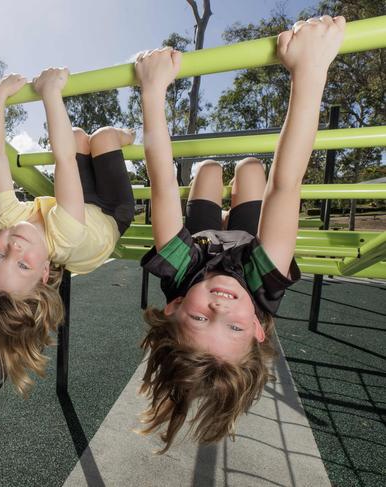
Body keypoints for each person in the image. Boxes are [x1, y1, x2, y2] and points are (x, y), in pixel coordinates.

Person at [134, 16, 345, 451]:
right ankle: (240, 188)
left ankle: (219, 191)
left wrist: (152, 91)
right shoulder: (263, 286)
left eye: (198, 317)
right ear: (258, 330)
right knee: (252, 168)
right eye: (233, 328)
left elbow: (160, 184)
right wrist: (310, 71)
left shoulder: (177, 273)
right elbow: (287, 187)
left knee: (208, 169)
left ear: (174, 306)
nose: (220, 307)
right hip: (250, 244)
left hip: (204, 240)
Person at [0, 69, 136, 396]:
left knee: (78, 135)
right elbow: (62, 160)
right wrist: (51, 92)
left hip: (79, 204)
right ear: (42, 272)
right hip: (110, 212)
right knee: (104, 137)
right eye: (22, 265)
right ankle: (127, 135)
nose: (14, 249)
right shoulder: (61, 236)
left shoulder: (9, 219)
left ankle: (98, 143)